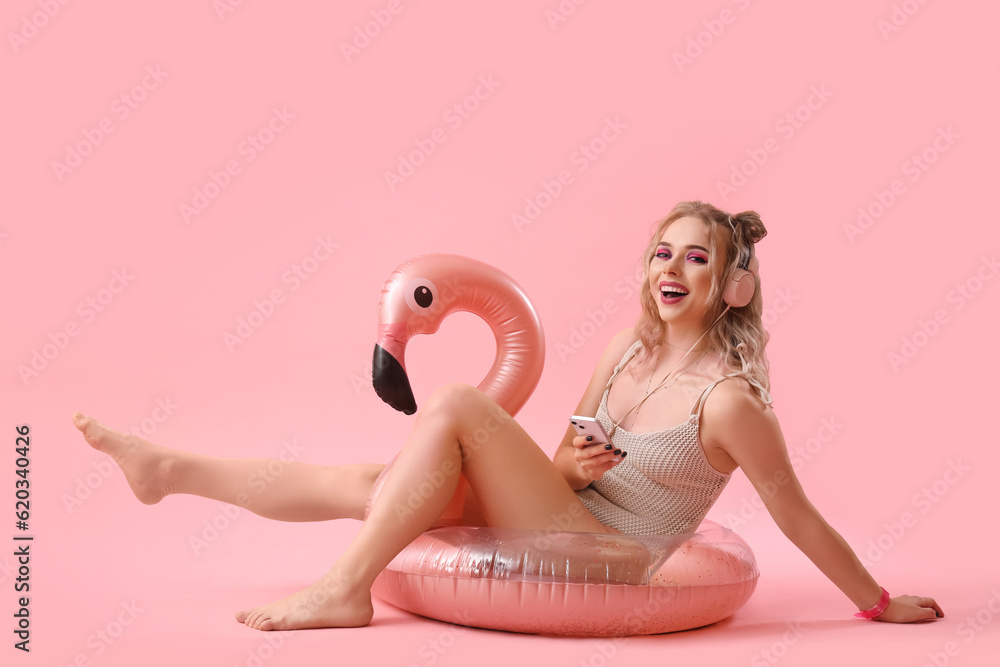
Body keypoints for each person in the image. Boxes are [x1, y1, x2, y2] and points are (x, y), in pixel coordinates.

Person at [72, 200, 943, 631]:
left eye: (697, 257)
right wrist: (564, 467)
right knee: (368, 481)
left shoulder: (731, 401)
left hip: (616, 548)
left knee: (452, 404)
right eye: (659, 252)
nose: (669, 268)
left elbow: (794, 510)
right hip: (560, 511)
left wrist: (875, 601)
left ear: (732, 282)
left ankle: (344, 590)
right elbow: (567, 457)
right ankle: (170, 470)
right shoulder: (625, 350)